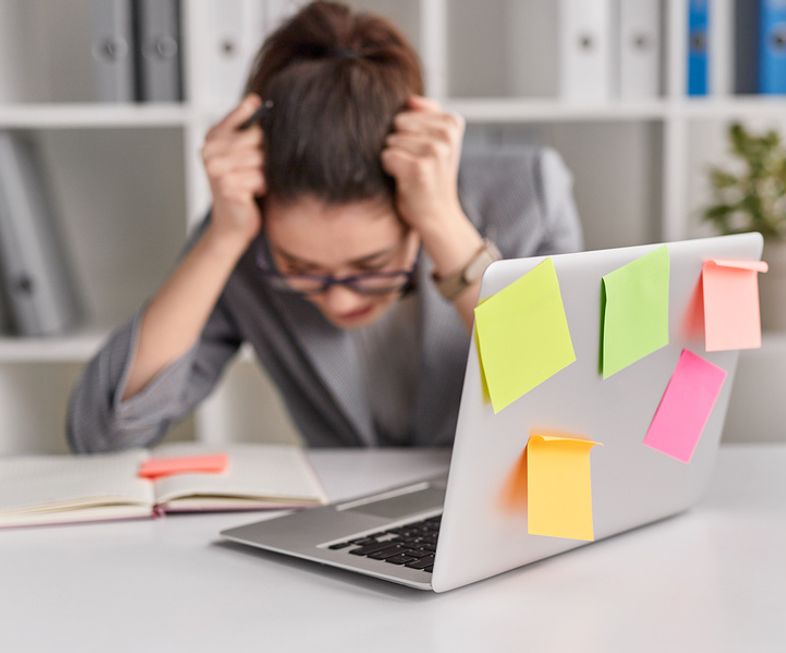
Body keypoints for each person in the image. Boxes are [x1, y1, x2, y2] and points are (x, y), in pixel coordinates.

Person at [67, 0, 582, 453]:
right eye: (299, 269)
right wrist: (222, 239)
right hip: (343, 529)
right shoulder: (245, 232)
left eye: (372, 267)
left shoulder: (528, 195)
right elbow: (101, 435)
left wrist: (446, 227)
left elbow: (569, 413)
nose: (336, 301)